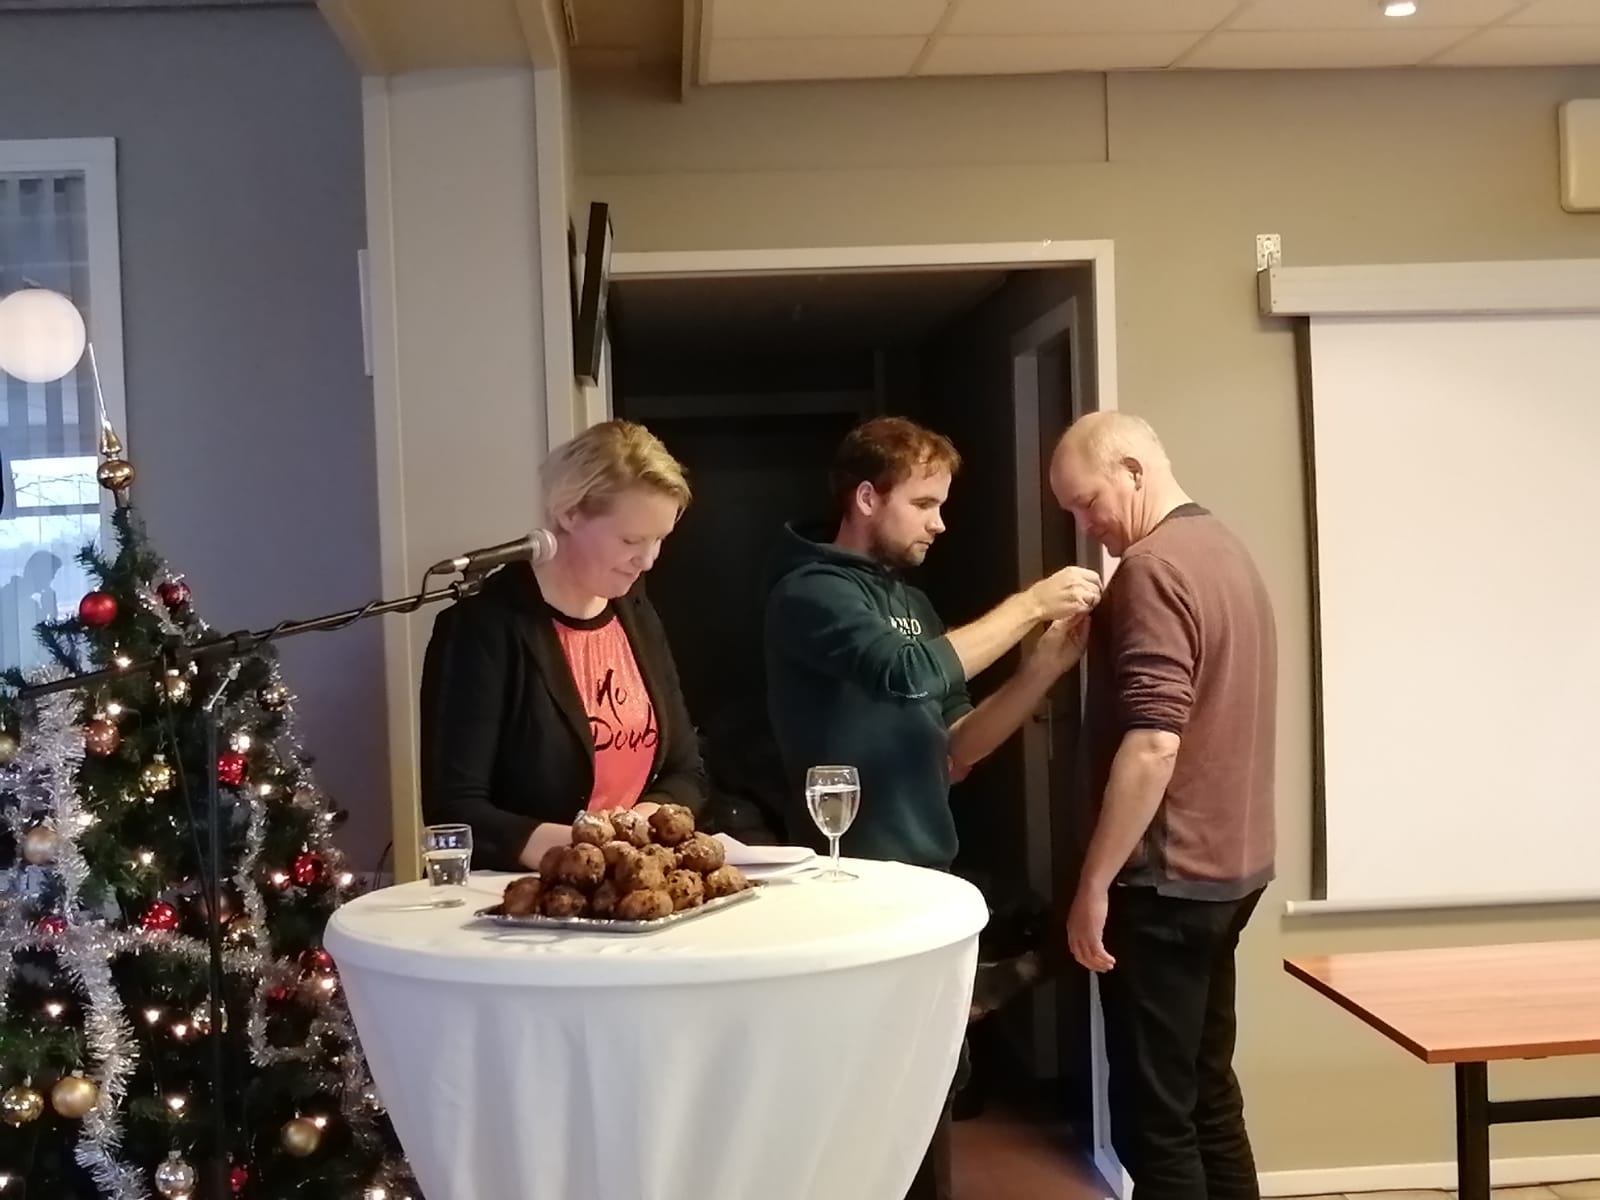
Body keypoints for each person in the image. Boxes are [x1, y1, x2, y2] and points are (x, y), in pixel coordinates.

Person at [763, 414, 1101, 1200]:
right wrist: (1030, 604)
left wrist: (1042, 668)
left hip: (925, 874)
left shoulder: (910, 601)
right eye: (924, 503)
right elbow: (906, 673)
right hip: (849, 885)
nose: (940, 523)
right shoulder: (808, 592)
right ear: (867, 498)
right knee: (868, 1106)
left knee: (932, 1091)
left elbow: (958, 745)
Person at [1049, 411, 1277, 1200]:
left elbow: (1154, 742)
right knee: (1206, 1095)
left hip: (1163, 884)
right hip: (1229, 875)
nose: (1086, 525)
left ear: (1134, 471)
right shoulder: (1227, 550)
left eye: (1087, 502)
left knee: (1155, 1121)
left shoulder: (1150, 569)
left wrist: (1093, 884)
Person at [419, 419, 708, 873]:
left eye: (659, 540)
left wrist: (636, 830)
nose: (648, 560)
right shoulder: (482, 627)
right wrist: (590, 847)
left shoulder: (635, 611)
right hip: (518, 893)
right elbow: (456, 810)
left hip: (625, 879)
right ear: (569, 514)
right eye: (631, 540)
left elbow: (687, 771)